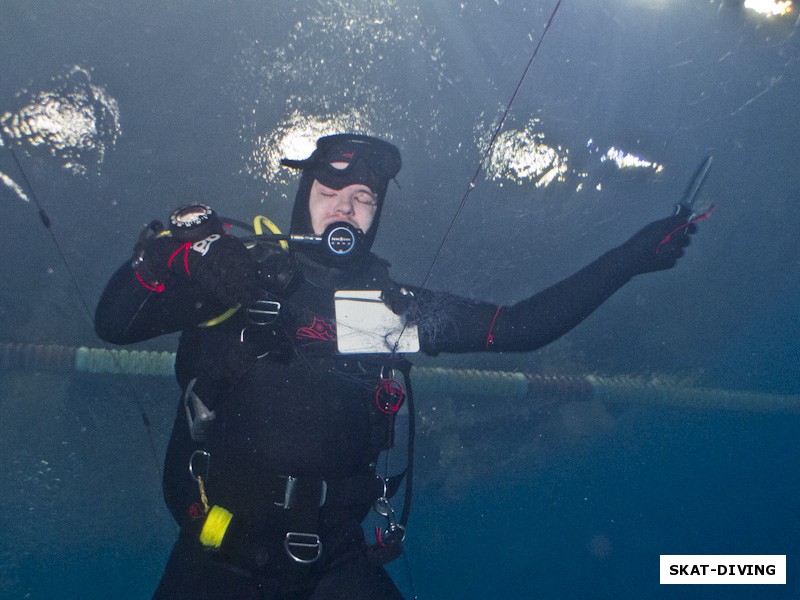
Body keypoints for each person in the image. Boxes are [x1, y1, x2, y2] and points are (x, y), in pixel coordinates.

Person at [95, 134, 697, 599]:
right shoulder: (238, 277)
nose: (346, 211)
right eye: (331, 194)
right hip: (217, 554)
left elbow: (517, 328)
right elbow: (115, 323)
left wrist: (632, 257)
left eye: (363, 199)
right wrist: (174, 257)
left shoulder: (385, 312)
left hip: (336, 561)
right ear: (301, 198)